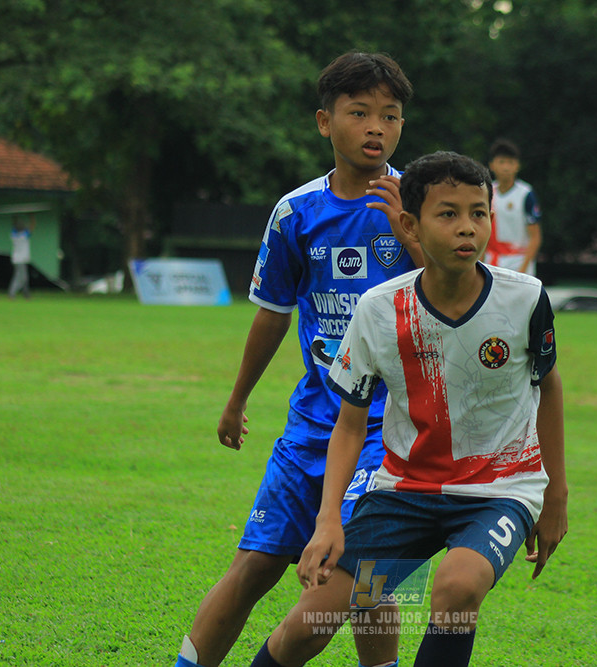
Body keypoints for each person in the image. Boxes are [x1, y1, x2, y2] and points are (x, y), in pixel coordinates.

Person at [248, 151, 568, 667]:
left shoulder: (524, 298)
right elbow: (350, 425)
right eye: (448, 214)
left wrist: (555, 495)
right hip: (404, 496)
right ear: (409, 224)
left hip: (498, 491)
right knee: (311, 624)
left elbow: (548, 388)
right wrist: (329, 517)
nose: (467, 228)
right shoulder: (378, 308)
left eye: (478, 213)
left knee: (457, 586)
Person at [172, 52, 418, 667]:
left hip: (391, 428)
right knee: (253, 566)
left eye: (389, 116)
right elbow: (272, 312)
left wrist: (415, 241)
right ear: (323, 122)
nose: (376, 128)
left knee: (366, 574)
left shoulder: (420, 200)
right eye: (359, 113)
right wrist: (236, 400)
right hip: (313, 424)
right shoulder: (295, 213)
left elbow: (465, 288)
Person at [483, 138, 542, 275]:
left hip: (519, 260)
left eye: (510, 162)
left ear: (517, 166)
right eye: (501, 162)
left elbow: (535, 236)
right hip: (492, 261)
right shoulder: (487, 192)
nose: (506, 167)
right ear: (492, 165)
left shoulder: (526, 194)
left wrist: (523, 269)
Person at [8, 214, 35, 299]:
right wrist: (32, 217)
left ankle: (26, 294)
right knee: (21, 278)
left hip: (16, 259)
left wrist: (14, 218)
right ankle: (12, 293)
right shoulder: (24, 236)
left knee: (24, 277)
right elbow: (32, 227)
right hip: (21, 259)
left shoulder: (13, 235)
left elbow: (14, 227)